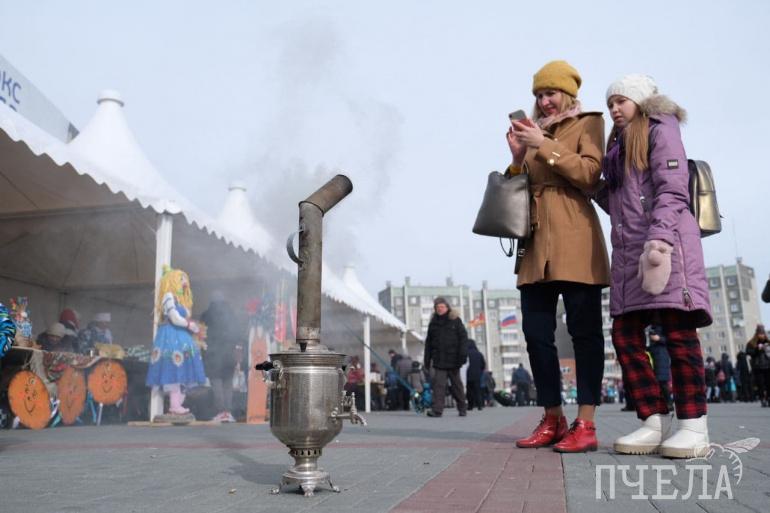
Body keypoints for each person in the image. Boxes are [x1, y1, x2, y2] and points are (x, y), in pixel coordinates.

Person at [601, 74, 712, 458]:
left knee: (678, 334)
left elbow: (673, 187)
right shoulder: (617, 147)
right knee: (625, 335)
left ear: (641, 100)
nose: (614, 109)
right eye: (610, 103)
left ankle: (694, 426)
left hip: (666, 246)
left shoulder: (660, 128)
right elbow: (622, 204)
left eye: (621, 100)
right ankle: (653, 420)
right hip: (629, 253)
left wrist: (660, 240)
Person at [506, 60, 609, 452]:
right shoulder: (532, 132)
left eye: (550, 93)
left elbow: (589, 174)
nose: (544, 101)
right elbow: (514, 191)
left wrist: (543, 145)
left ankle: (586, 422)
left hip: (576, 238)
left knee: (585, 334)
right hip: (535, 246)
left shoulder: (589, 122)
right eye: (538, 95)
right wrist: (518, 158)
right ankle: (552, 417)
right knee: (536, 335)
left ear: (566, 93)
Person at [145, 266, 207, 418]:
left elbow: (183, 318)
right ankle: (174, 405)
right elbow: (174, 317)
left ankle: (177, 404)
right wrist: (189, 325)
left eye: (185, 279)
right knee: (174, 368)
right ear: (172, 280)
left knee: (183, 369)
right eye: (181, 279)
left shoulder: (181, 300)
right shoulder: (168, 297)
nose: (184, 282)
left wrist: (193, 327)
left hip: (181, 336)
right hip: (171, 336)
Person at [200, 293, 243, 423]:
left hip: (213, 354)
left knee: (216, 382)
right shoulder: (231, 314)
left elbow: (201, 334)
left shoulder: (206, 315)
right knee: (228, 383)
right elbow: (237, 333)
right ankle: (228, 412)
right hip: (229, 353)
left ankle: (220, 412)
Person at [423, 297, 468, 417]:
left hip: (454, 360)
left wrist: (463, 355)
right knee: (439, 385)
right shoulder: (433, 323)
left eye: (442, 307)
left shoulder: (455, 320)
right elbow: (428, 343)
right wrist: (427, 360)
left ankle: (462, 408)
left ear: (447, 307)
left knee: (456, 386)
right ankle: (437, 410)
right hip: (439, 361)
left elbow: (463, 339)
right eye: (437, 307)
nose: (440, 309)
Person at [647, 326, 673, 410]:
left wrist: (659, 339)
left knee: (662, 382)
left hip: (662, 356)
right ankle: (663, 404)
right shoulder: (652, 327)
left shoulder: (663, 325)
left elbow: (670, 340)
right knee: (657, 382)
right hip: (654, 356)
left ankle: (669, 403)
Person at [746, 325, 770, 407]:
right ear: (757, 333)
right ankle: (763, 399)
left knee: (768, 383)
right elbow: (748, 352)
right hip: (758, 366)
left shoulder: (768, 341)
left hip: (768, 365)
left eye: (763, 333)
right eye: (760, 333)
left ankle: (768, 398)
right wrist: (757, 349)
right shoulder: (752, 342)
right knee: (760, 384)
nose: (762, 335)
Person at [465, 340, 486, 411]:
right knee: (477, 391)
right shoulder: (479, 354)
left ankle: (470, 405)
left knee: (469, 390)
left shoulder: (466, 353)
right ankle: (480, 405)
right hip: (477, 375)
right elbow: (483, 365)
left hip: (468, 375)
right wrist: (480, 371)